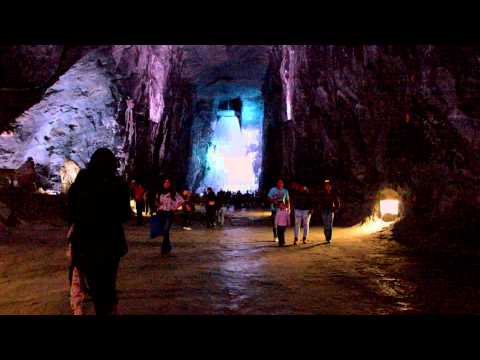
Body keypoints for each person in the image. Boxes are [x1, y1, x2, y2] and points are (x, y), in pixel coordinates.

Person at [68, 148, 130, 315]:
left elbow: (70, 210)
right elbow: (125, 214)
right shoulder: (118, 184)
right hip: (111, 243)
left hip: (86, 242)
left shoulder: (82, 181)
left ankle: (101, 307)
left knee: (94, 284)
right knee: (108, 284)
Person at [156, 178, 184, 255]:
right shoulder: (160, 192)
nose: (166, 183)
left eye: (168, 182)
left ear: (170, 184)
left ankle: (163, 249)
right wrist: (158, 205)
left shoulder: (173, 192)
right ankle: (168, 247)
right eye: (165, 182)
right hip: (161, 212)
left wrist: (175, 208)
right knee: (165, 231)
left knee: (166, 230)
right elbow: (157, 201)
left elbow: (181, 201)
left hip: (169, 213)